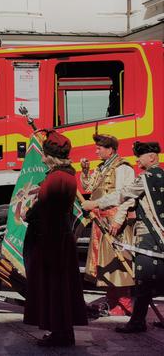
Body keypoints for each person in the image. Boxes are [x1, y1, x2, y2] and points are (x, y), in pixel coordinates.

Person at [83, 141, 164, 333]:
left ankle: (137, 322)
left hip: (150, 236)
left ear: (151, 157)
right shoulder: (162, 176)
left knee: (144, 281)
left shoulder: (145, 178)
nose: (137, 159)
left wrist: (95, 203)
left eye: (140, 156)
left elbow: (122, 195)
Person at [23, 131, 87, 346]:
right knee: (61, 286)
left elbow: (44, 208)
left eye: (43, 154)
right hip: (59, 236)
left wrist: (27, 213)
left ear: (50, 156)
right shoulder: (66, 175)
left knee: (55, 287)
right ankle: (62, 332)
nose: (41, 157)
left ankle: (61, 334)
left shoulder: (56, 178)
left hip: (51, 238)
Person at [80, 133, 135, 315]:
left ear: (110, 149)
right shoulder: (103, 167)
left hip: (113, 219)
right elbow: (89, 188)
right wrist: (86, 171)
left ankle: (125, 303)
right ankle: (112, 301)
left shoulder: (122, 167)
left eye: (99, 148)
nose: (96, 151)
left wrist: (119, 220)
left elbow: (126, 196)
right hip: (101, 219)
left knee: (119, 262)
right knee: (106, 263)